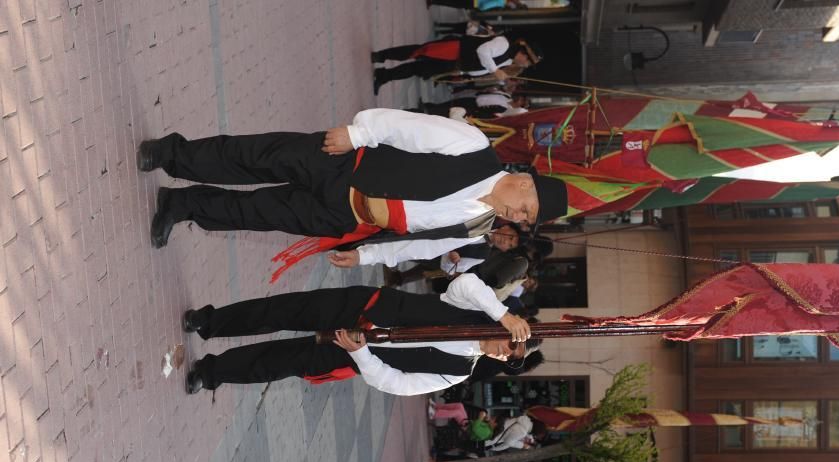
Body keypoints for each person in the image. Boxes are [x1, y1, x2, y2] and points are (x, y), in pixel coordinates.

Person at [138, 109, 567, 281]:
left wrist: (365, 256)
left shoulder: (478, 228)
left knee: (255, 212)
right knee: (254, 156)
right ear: (525, 181)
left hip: (346, 218)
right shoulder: (474, 147)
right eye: (526, 207)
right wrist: (358, 133)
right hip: (345, 163)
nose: (517, 215)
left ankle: (180, 205)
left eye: (525, 220)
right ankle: (174, 154)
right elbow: (409, 127)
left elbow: (419, 244)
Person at [180, 273, 534, 395]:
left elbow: (397, 383)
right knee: (280, 311)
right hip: (362, 307)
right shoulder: (480, 310)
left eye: (511, 358)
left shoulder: (458, 371)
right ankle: (210, 322)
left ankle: (211, 373)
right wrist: (501, 313)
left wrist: (361, 353)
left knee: (275, 364)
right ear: (508, 327)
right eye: (511, 344)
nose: (506, 353)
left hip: (355, 353)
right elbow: (466, 282)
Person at [372, 35, 542, 93]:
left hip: (457, 64)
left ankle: (384, 76)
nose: (525, 64)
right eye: (527, 60)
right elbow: (483, 51)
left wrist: (465, 75)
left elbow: (481, 68)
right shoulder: (504, 44)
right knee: (418, 52)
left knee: (418, 69)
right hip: (455, 50)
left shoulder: (507, 60)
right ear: (523, 53)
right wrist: (495, 70)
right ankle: (382, 55)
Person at [385, 223, 521, 286]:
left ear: (504, 250)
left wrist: (452, 259)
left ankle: (381, 256)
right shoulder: (485, 221)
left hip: (433, 256)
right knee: (398, 234)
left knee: (399, 251)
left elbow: (453, 269)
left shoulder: (482, 254)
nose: (505, 241)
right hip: (431, 230)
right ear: (506, 227)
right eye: (510, 237)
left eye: (509, 245)